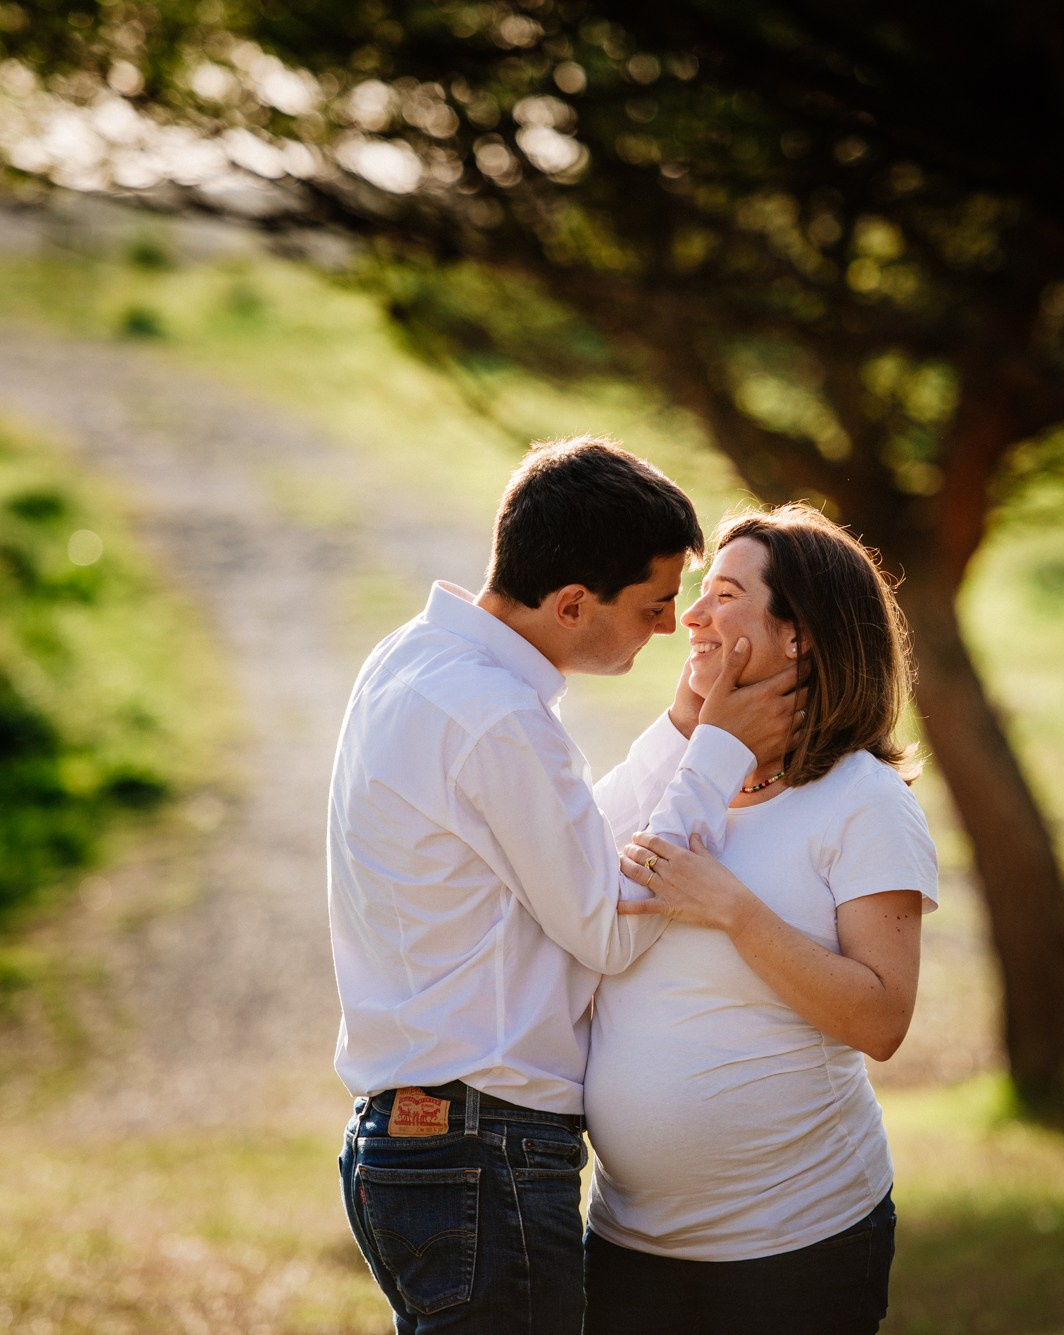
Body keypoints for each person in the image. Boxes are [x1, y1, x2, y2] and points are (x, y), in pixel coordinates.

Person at [328, 436, 799, 1334]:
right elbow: (612, 926)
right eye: (657, 604)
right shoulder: (500, 717)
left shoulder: (412, 660)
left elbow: (567, 846)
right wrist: (720, 754)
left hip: (426, 1141)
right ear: (575, 603)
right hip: (483, 1148)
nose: (673, 628)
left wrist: (681, 729)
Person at [584, 503, 939, 1335]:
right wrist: (686, 728)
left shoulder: (864, 800)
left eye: (726, 595)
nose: (692, 617)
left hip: (797, 1249)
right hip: (627, 1246)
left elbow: (883, 1017)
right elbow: (574, 895)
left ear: (799, 635)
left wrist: (736, 913)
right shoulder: (676, 775)